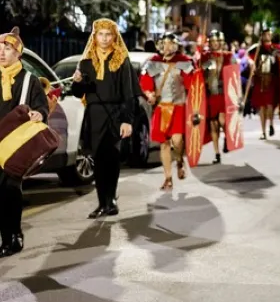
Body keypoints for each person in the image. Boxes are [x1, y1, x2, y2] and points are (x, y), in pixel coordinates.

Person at [72, 19, 138, 219]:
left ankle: (111, 200)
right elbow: (77, 93)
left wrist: (127, 120)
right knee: (99, 159)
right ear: (95, 36)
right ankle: (103, 202)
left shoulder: (121, 60)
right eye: (100, 34)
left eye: (108, 34)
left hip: (116, 113)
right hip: (94, 114)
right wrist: (78, 82)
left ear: (114, 37)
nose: (104, 38)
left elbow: (128, 93)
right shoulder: (85, 62)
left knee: (112, 157)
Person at [0, 28, 49, 256]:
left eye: (7, 48)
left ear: (18, 53)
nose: (1, 52)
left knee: (10, 189)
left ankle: (13, 236)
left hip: (15, 144)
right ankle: (5, 236)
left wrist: (40, 113)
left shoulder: (29, 80)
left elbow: (41, 106)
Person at [141, 33, 195, 189]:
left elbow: (192, 84)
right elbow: (145, 82)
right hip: (162, 107)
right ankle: (168, 177)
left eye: (171, 44)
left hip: (178, 107)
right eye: (164, 44)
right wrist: (149, 93)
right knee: (163, 144)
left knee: (177, 141)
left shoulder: (185, 62)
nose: (167, 47)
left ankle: (179, 160)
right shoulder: (153, 63)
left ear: (176, 46)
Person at [200, 30, 235, 161]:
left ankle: (226, 138)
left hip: (224, 94)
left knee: (222, 120)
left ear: (221, 42)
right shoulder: (206, 57)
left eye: (217, 41)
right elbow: (200, 74)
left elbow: (234, 74)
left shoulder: (229, 56)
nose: (215, 44)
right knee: (213, 124)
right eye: (212, 41)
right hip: (210, 94)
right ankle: (217, 153)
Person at [249, 29, 280, 139]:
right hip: (260, 79)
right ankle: (263, 131)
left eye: (269, 34)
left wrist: (278, 57)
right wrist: (252, 64)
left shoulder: (275, 49)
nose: (267, 36)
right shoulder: (257, 48)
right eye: (265, 34)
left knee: (270, 104)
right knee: (262, 107)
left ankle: (271, 124)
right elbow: (249, 57)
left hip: (271, 79)